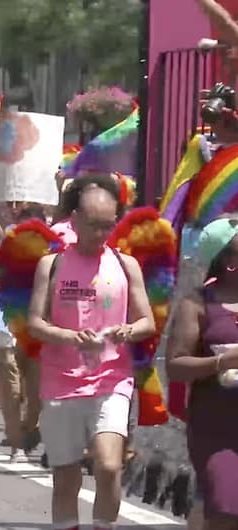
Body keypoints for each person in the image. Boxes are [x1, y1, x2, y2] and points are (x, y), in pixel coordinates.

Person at [26, 176, 156, 530]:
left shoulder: (126, 265)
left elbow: (147, 322)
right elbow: (34, 324)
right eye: (94, 225)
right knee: (65, 477)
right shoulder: (50, 265)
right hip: (61, 382)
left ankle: (103, 524)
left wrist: (128, 330)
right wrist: (69, 337)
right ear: (75, 220)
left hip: (112, 379)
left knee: (110, 465)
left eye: (108, 225)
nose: (102, 233)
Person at [165, 216, 238, 529]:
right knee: (226, 512)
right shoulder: (196, 305)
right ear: (230, 263)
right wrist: (220, 362)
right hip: (217, 428)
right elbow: (176, 366)